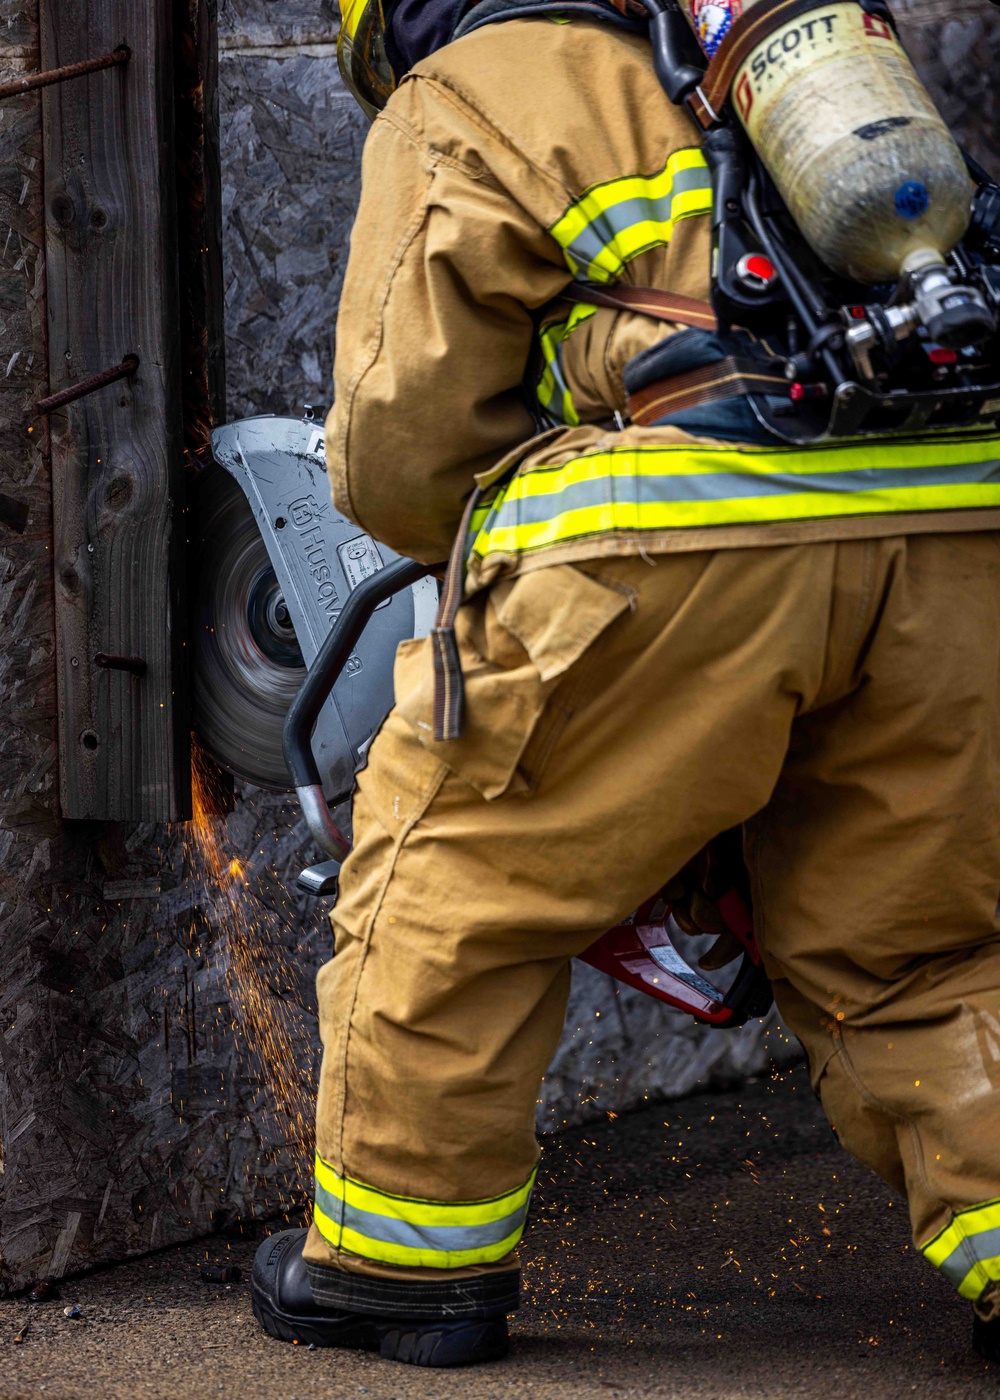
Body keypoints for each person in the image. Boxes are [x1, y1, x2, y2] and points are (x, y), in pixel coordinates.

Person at [249, 0, 1000, 1369]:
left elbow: (405, 438)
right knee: (926, 945)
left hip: (688, 526)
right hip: (957, 533)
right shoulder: (778, 52)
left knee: (456, 882)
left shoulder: (471, 83)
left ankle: (398, 1267)